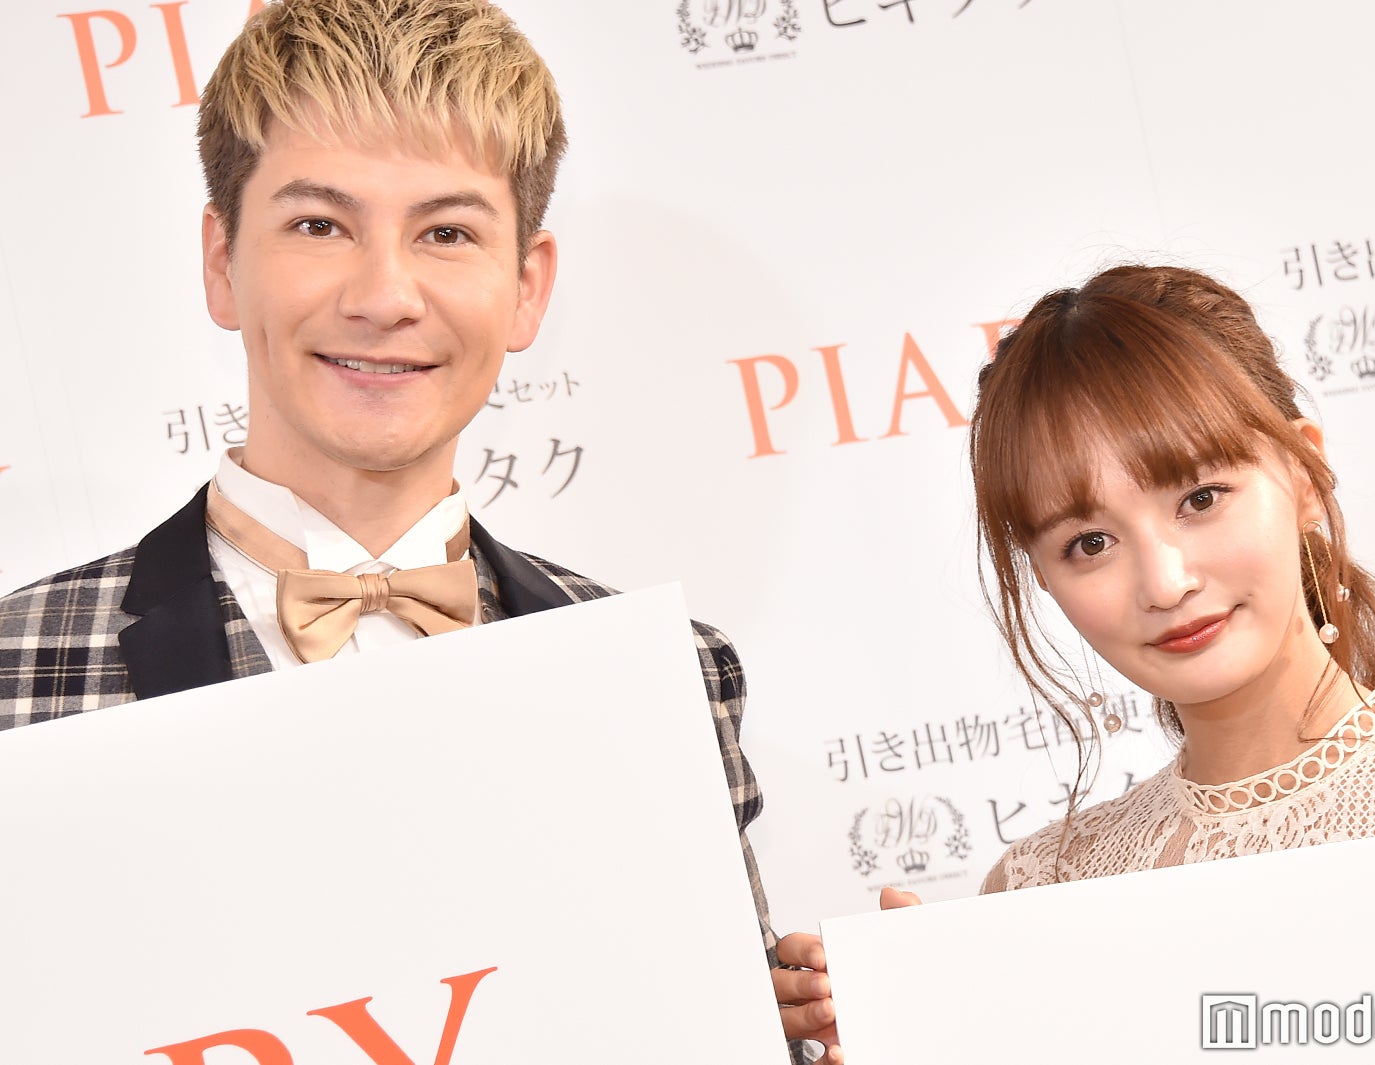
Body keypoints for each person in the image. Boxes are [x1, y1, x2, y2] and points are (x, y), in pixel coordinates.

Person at [0, 2, 802, 1060]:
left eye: (447, 233)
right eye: (319, 225)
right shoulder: (17, 670)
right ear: (222, 261)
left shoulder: (669, 677)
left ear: (526, 287)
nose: (384, 296)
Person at [774, 264, 1375, 1060]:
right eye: (1089, 542)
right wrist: (929, 1036)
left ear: (1304, 476)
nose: (1165, 582)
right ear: (1045, 577)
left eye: (1200, 498)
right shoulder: (1037, 894)